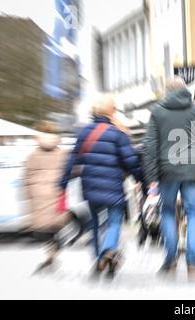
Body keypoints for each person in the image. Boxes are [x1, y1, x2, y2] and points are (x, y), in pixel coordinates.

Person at [59, 94, 141, 279]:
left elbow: (72, 160)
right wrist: (140, 178)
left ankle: (98, 262)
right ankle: (107, 251)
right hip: (113, 185)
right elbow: (130, 161)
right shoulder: (118, 134)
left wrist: (63, 183)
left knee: (95, 225)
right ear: (111, 111)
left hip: (89, 186)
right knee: (114, 223)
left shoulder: (84, 132)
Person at [143, 77, 195, 279]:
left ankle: (170, 260)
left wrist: (151, 177)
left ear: (167, 91)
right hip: (191, 171)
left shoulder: (157, 112)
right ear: (185, 90)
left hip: (167, 172)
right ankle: (193, 263)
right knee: (193, 212)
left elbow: (150, 146)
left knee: (167, 212)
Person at [25, 121, 69, 269]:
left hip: (38, 194)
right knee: (56, 225)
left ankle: (50, 253)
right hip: (58, 192)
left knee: (42, 229)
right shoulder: (63, 153)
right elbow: (70, 171)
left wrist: (28, 193)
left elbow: (27, 176)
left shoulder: (33, 155)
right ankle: (53, 250)